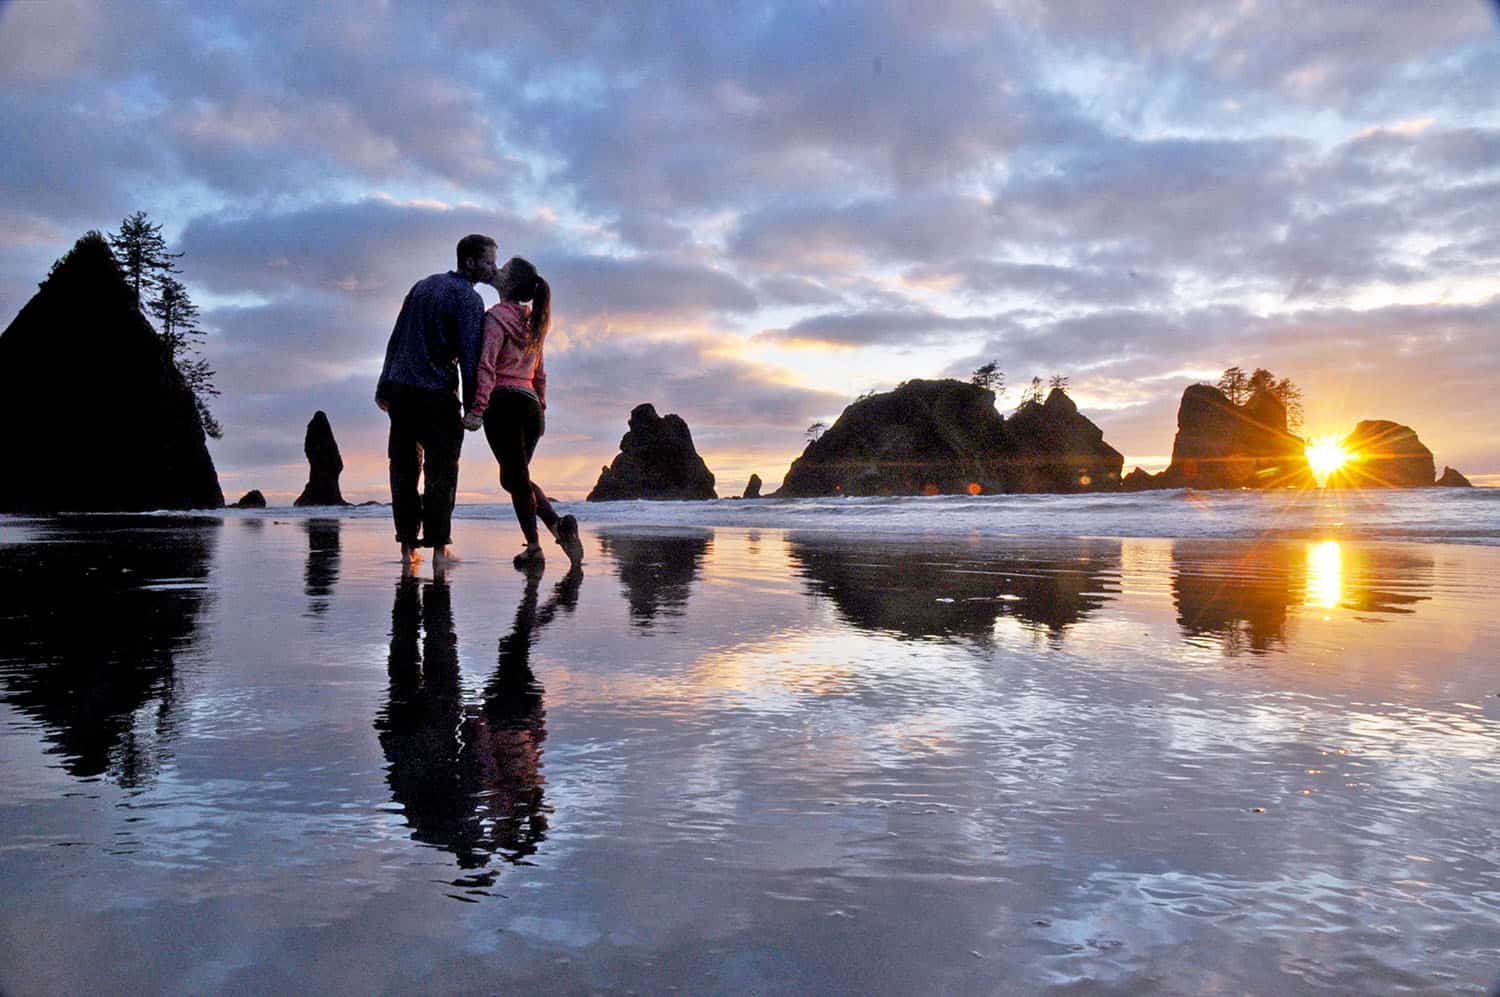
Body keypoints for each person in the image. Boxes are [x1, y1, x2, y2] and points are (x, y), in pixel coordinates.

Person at [376, 234, 497, 567]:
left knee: (402, 469)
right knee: (441, 472)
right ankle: (440, 551)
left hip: (401, 391)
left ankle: (407, 549)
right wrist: (476, 407)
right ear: (470, 262)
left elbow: (396, 337)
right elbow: (471, 357)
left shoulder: (421, 286)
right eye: (489, 261)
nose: (494, 268)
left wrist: (383, 383)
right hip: (437, 395)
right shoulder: (469, 300)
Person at [462, 256, 584, 570]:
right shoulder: (535, 321)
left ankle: (535, 548)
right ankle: (558, 527)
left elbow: (486, 365)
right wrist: (540, 405)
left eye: (502, 270)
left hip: (503, 404)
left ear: (510, 283)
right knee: (515, 478)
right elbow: (540, 373)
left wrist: (477, 409)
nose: (496, 271)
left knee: (516, 481)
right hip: (531, 407)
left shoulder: (496, 318)